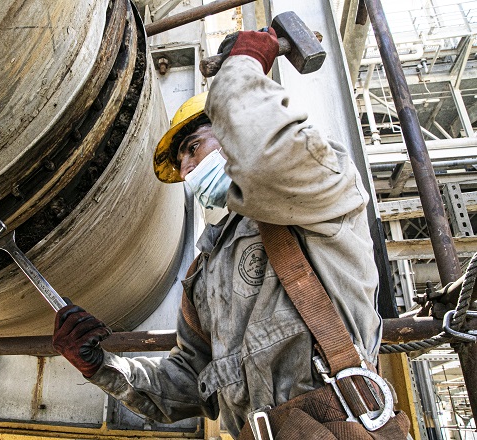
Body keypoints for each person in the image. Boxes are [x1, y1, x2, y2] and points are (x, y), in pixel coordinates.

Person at [53, 29, 400, 438]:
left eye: (193, 147)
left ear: (232, 129)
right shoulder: (204, 274)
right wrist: (102, 367)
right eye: (180, 160)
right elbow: (187, 384)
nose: (185, 170)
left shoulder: (318, 195)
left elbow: (265, 158)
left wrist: (242, 67)